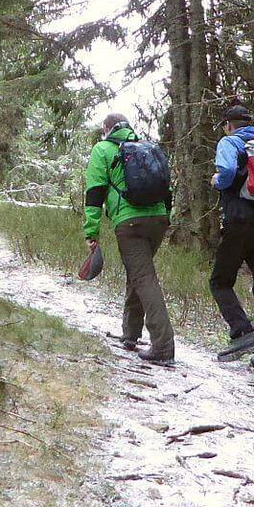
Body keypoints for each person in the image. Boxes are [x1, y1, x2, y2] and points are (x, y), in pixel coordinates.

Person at [83, 113, 175, 365]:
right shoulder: (147, 148)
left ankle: (163, 346)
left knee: (143, 277)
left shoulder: (102, 150)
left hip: (129, 222)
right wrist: (165, 217)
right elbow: (167, 188)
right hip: (158, 219)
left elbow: (94, 192)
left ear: (106, 129)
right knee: (138, 273)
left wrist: (91, 232)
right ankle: (131, 334)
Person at [209, 104, 254, 374]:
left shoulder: (230, 142)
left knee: (220, 281)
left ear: (229, 124)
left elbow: (227, 172)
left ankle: (242, 332)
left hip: (239, 220)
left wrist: (217, 180)